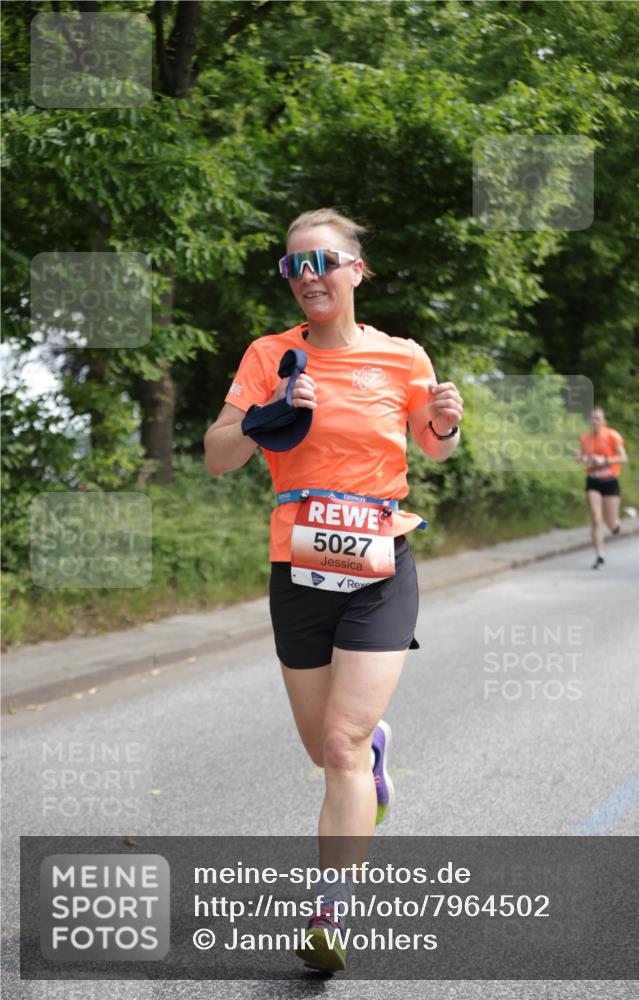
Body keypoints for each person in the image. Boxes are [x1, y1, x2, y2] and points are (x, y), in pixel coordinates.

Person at [204, 208, 463, 972]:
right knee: (325, 749)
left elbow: (434, 449)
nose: (307, 275)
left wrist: (444, 422)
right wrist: (263, 418)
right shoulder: (268, 355)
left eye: (321, 261)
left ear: (355, 270)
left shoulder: (401, 358)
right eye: (293, 266)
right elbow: (218, 456)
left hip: (381, 564)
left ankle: (330, 914)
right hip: (299, 566)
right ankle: (372, 753)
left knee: (340, 745)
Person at [574, 407, 628, 569]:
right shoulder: (584, 439)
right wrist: (581, 458)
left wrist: (604, 460)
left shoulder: (612, 435)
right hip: (593, 481)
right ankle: (600, 556)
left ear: (603, 421)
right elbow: (586, 458)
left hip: (610, 481)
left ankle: (615, 526)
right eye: (592, 418)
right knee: (596, 519)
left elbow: (624, 458)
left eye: (597, 418)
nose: (594, 421)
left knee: (611, 523)